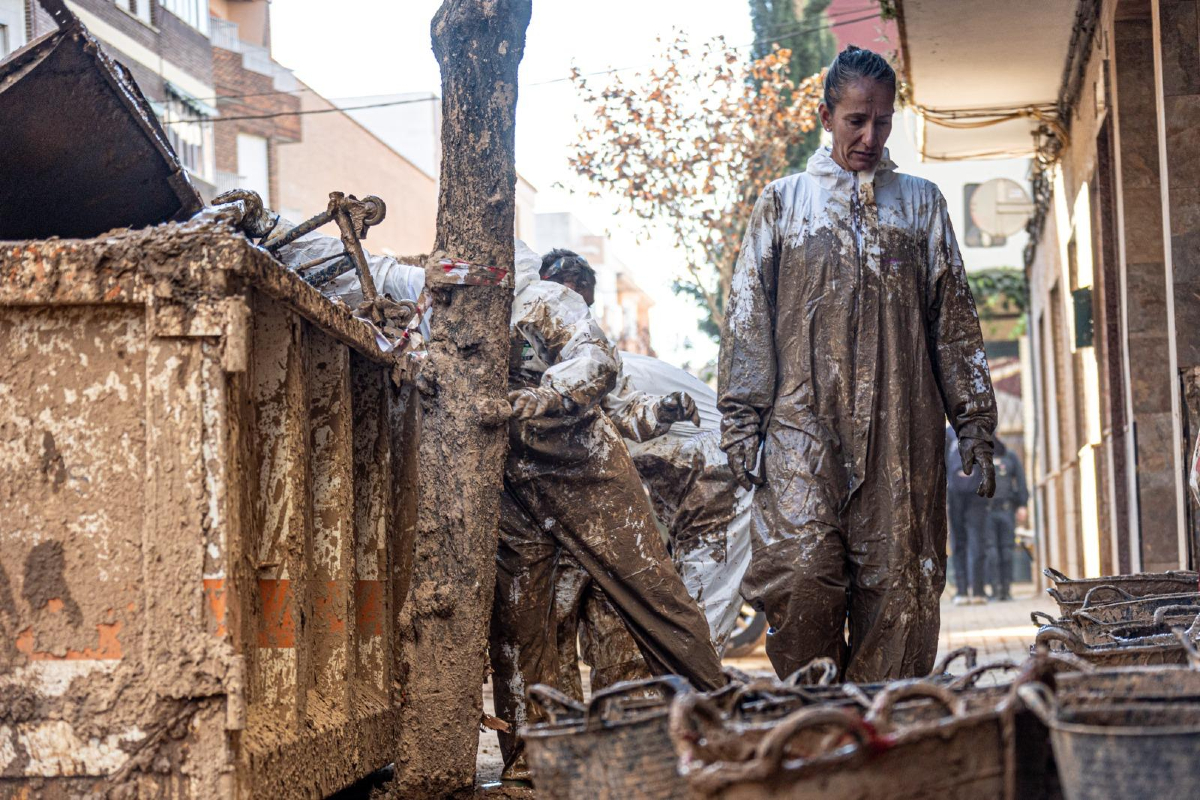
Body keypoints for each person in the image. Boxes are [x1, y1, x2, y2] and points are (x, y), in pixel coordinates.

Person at [717, 45, 997, 683]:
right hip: (801, 431)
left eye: (883, 121)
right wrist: (741, 426)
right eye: (856, 121)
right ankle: (818, 720)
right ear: (826, 117)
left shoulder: (920, 205)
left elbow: (954, 322)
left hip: (902, 434)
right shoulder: (783, 205)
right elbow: (748, 318)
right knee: (801, 574)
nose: (871, 137)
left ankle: (881, 727)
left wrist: (975, 424)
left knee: (900, 589)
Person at [492, 242, 725, 779]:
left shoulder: (567, 325)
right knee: (527, 627)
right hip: (520, 491)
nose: (573, 300)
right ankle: (542, 752)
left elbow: (617, 404)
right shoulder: (495, 314)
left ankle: (703, 718)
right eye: (568, 289)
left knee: (642, 609)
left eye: (582, 296)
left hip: (589, 488)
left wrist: (659, 412)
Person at [947, 426, 989, 605]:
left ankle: (966, 591)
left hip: (967, 495)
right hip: (965, 495)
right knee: (970, 542)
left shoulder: (949, 433)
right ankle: (973, 591)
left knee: (965, 543)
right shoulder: (980, 429)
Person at [983, 436, 1028, 601]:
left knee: (1007, 550)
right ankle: (996, 590)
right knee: (991, 552)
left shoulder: (1010, 456)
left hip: (1007, 510)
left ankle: (1006, 590)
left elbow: (1021, 480)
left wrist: (1022, 504)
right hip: (987, 511)